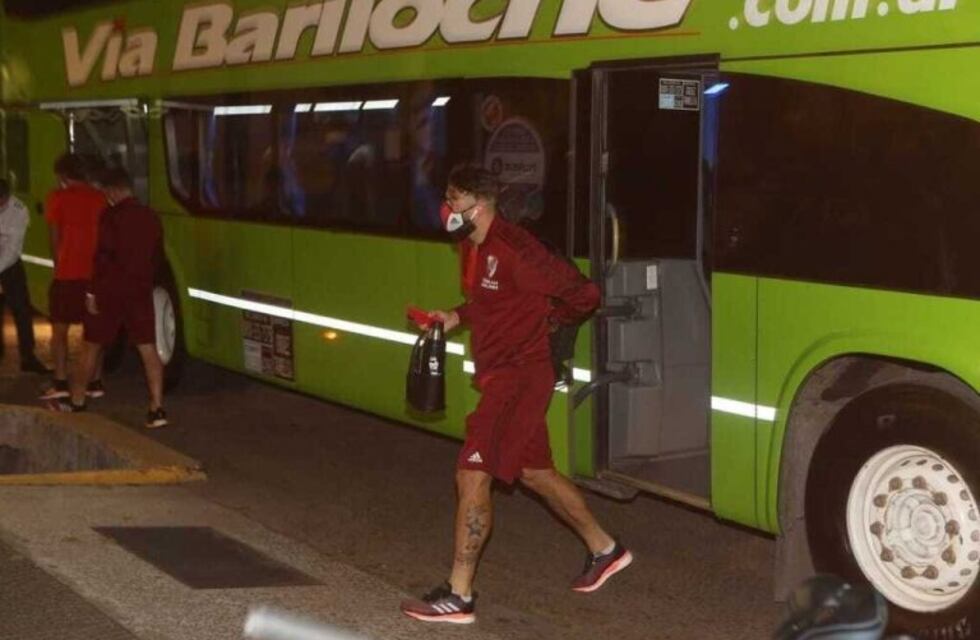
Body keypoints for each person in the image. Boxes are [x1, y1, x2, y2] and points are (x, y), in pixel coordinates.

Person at [400, 165, 632, 625]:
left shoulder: (517, 249)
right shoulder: (475, 246)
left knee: (472, 475)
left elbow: (583, 295)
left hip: (518, 378)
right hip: (502, 374)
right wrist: (455, 316)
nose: (447, 210)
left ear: (479, 206)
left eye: (454, 200)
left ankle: (459, 596)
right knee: (535, 472)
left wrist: (547, 326)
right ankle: (606, 550)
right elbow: (491, 302)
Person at [55, 167, 168, 429]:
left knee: (91, 346)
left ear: (114, 191)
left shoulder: (111, 216)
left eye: (107, 192)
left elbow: (102, 257)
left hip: (110, 291)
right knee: (148, 347)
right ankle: (157, 408)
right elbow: (158, 257)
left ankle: (78, 401)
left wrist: (92, 291)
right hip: (139, 291)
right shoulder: (151, 216)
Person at [40, 153, 107, 400]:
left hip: (67, 274)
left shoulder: (57, 198)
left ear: (62, 176)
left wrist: (59, 265)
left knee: (59, 330)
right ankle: (95, 381)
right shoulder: (100, 198)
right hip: (94, 275)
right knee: (94, 331)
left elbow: (54, 237)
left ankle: (60, 380)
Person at [0, 179, 50, 373]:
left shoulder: (19, 211)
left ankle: (28, 356)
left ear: (7, 197)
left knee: (21, 309)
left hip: (10, 263)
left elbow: (12, 250)